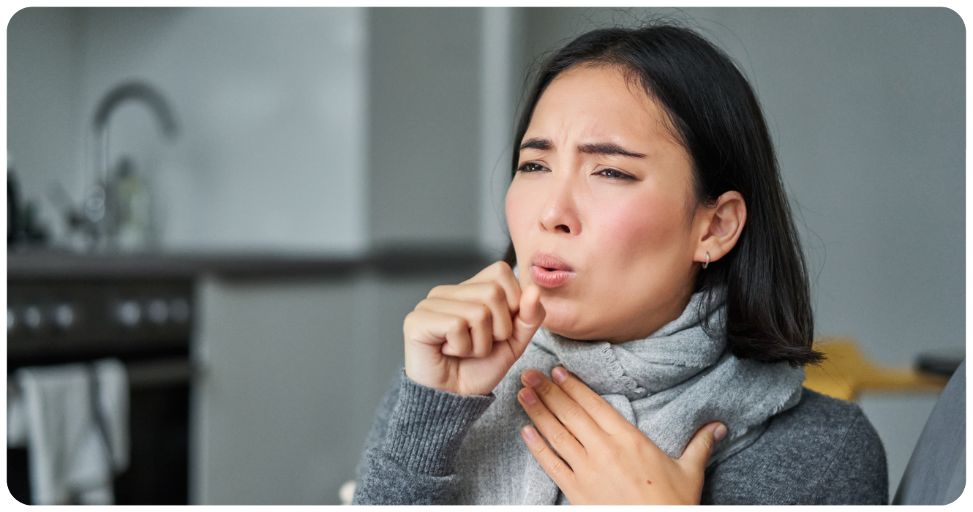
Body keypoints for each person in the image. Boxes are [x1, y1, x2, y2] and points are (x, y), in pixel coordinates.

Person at [351, 22, 888, 505]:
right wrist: (429, 419)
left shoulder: (822, 450)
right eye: (535, 164)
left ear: (715, 226)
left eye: (609, 172)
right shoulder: (439, 391)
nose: (552, 213)